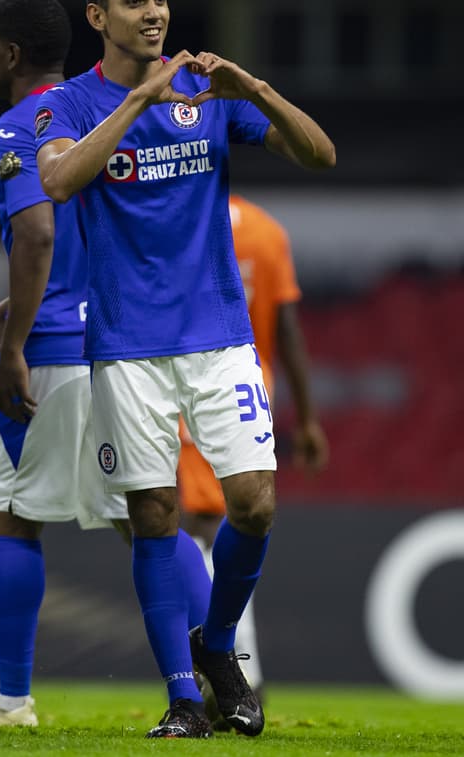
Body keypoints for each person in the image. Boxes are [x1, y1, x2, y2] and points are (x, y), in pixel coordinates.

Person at [34, 0, 336, 738]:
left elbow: (320, 153)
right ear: (98, 16)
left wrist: (254, 89)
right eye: (135, 1)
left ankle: (218, 644)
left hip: (219, 336)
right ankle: (181, 696)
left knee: (255, 503)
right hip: (126, 342)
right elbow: (58, 181)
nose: (154, 13)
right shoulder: (68, 103)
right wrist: (139, 99)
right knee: (155, 514)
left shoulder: (208, 94)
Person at [0, 0, 212, 726]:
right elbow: (83, 246)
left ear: (12, 54)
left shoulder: (20, 126)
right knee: (148, 521)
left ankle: (12, 699)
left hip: (54, 351)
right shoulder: (100, 111)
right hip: (121, 344)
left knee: (13, 516)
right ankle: (223, 679)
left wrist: (14, 345)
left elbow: (38, 235)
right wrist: (2, 312)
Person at [176, 193, 330, 706]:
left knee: (202, 529)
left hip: (194, 383)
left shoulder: (180, 217)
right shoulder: (267, 232)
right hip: (250, 386)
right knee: (237, 528)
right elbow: (288, 332)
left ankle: (232, 674)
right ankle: (241, 672)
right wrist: (306, 419)